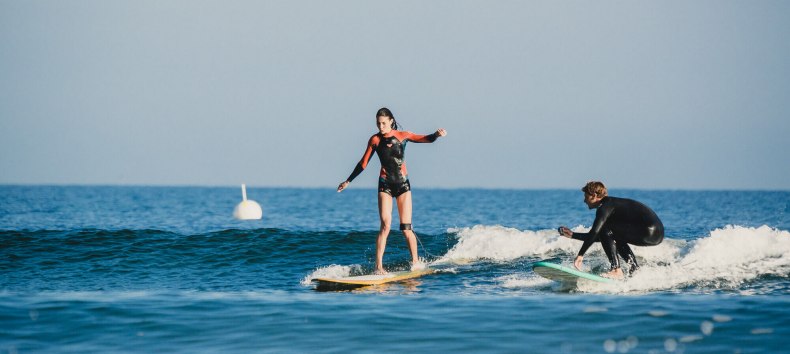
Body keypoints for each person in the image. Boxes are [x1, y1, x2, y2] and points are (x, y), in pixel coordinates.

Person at [337, 107, 447, 274]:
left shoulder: (403, 136)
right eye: (378, 123)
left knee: (406, 228)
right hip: (385, 185)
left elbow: (426, 139)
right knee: (385, 226)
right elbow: (363, 163)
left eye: (383, 123)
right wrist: (348, 181)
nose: (380, 127)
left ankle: (415, 262)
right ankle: (378, 267)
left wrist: (436, 135)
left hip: (403, 185)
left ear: (391, 121)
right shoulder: (374, 140)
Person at [558, 181, 664, 278]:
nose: (584, 200)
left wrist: (580, 255)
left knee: (605, 229)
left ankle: (616, 269)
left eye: (586, 196)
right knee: (614, 234)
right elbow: (603, 237)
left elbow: (596, 232)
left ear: (594, 196)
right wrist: (572, 235)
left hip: (647, 230)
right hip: (658, 234)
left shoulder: (605, 207)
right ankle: (634, 269)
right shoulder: (611, 205)